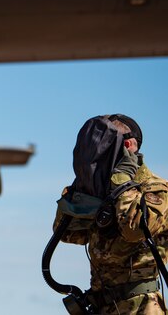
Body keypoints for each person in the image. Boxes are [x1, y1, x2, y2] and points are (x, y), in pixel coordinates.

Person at [53, 114, 168, 314]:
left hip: (140, 306)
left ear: (129, 145)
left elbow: (135, 230)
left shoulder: (156, 189)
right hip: (102, 305)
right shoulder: (103, 191)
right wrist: (81, 188)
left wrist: (123, 182)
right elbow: (67, 233)